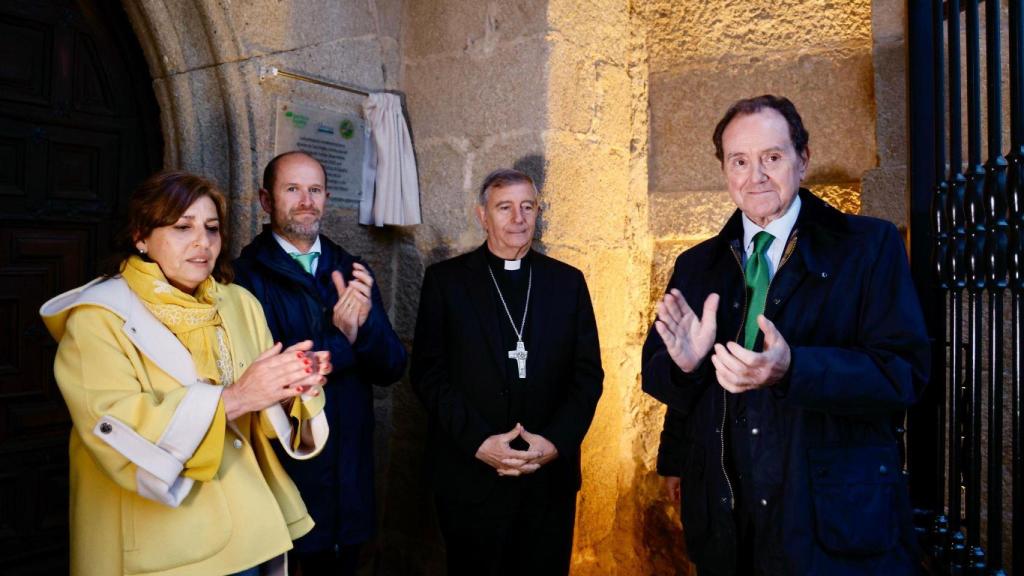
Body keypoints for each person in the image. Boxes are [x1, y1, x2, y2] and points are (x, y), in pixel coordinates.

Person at [641, 95, 930, 575]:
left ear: (803, 159)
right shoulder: (695, 265)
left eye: (771, 158)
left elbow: (903, 374)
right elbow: (660, 381)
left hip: (829, 518)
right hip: (729, 521)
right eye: (740, 161)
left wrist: (794, 368)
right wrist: (684, 367)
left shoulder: (868, 247)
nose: (755, 176)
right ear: (724, 171)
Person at [39, 171, 332, 576]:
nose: (203, 242)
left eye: (212, 229)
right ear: (141, 235)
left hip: (253, 528)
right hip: (166, 541)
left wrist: (293, 386)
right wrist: (238, 397)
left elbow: (266, 418)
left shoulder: (239, 302)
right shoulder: (97, 316)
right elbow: (115, 428)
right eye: (182, 227)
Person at [411, 168, 604, 576]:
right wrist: (478, 442)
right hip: (470, 476)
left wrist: (555, 443)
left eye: (527, 206)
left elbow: (587, 376)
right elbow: (428, 374)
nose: (518, 218)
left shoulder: (567, 283)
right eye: (505, 207)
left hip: (547, 478)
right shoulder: (446, 282)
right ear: (483, 215)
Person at [233, 151, 407, 575]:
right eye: (292, 189)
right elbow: (276, 373)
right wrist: (345, 336)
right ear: (265, 200)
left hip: (350, 470)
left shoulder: (351, 269)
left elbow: (390, 367)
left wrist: (365, 328)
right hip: (291, 465)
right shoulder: (245, 277)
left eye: (315, 190)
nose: (306, 200)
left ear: (327, 198)